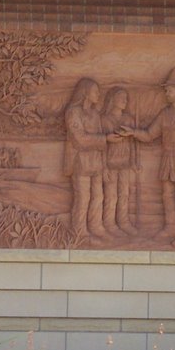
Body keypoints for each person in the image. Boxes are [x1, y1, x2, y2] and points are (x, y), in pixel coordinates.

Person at [119, 67, 175, 247]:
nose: (166, 93)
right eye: (166, 90)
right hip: (168, 160)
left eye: (169, 90)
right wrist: (133, 133)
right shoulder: (164, 114)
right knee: (167, 195)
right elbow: (150, 134)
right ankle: (171, 227)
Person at [63, 77, 111, 239]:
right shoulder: (73, 112)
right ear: (85, 93)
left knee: (98, 196)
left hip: (96, 162)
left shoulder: (95, 114)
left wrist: (104, 166)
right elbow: (79, 139)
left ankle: (96, 227)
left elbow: (101, 142)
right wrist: (105, 139)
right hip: (80, 162)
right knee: (83, 198)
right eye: (95, 91)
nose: (99, 94)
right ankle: (80, 232)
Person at [101, 86, 139, 236]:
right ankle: (109, 223)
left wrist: (134, 161)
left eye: (126, 98)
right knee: (111, 195)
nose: (125, 101)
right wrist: (103, 167)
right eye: (121, 98)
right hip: (110, 163)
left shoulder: (128, 119)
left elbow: (133, 143)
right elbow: (101, 146)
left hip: (125, 162)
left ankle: (123, 221)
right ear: (112, 100)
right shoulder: (104, 119)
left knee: (124, 193)